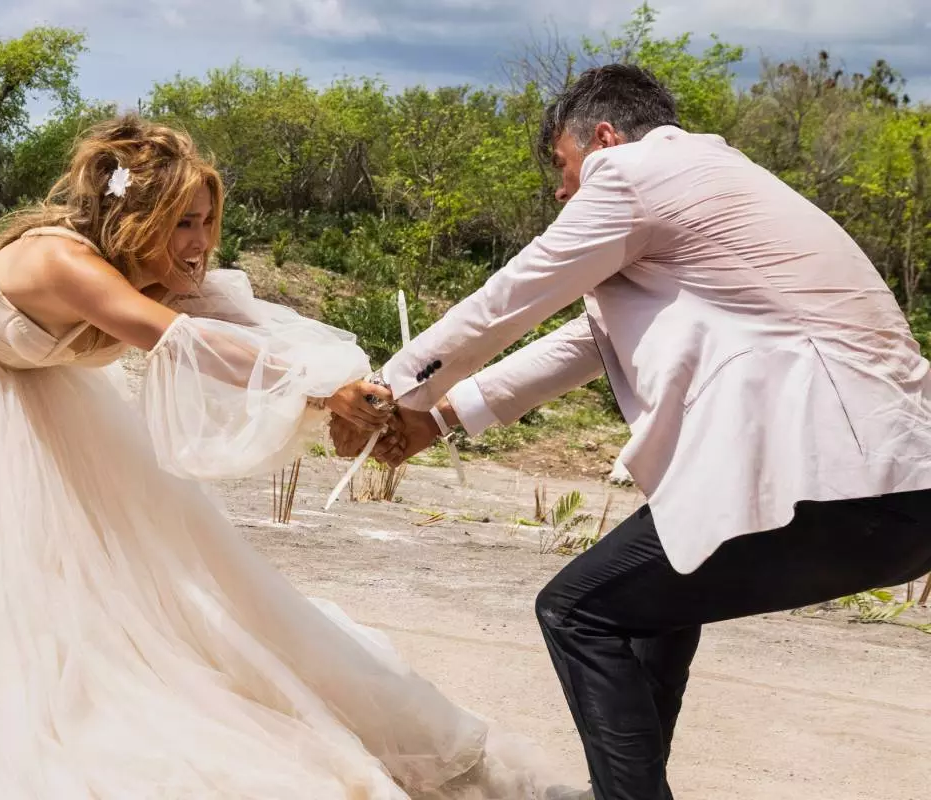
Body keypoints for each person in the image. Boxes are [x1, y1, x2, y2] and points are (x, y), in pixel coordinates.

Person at [0, 115, 568, 799]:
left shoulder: (151, 267)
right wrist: (322, 396)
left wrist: (351, 391)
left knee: (43, 580)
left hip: (27, 394)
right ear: (137, 217)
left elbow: (246, 331)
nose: (199, 240)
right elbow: (177, 342)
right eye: (183, 222)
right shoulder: (66, 264)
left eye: (206, 220)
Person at [331, 64, 931, 800]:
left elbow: (512, 296)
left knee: (578, 611)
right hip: (902, 495)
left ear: (605, 137)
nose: (560, 191)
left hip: (825, 470)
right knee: (651, 614)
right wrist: (443, 416)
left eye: (562, 165)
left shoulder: (636, 173)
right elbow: (585, 342)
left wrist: (386, 389)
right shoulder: (719, 185)